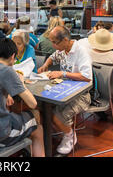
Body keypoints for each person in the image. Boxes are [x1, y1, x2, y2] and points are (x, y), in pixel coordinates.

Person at [0, 38, 45, 157]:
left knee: (22, 113)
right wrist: (21, 83)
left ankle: (27, 147)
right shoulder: (7, 71)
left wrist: (7, 93)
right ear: (13, 56)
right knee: (37, 124)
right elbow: (32, 103)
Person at [37, 26, 92, 155]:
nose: (52, 45)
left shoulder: (81, 51)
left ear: (66, 40)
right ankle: (61, 131)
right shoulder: (63, 50)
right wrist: (45, 65)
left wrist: (63, 74)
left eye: (55, 42)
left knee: (56, 116)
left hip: (81, 95)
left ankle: (69, 136)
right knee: (43, 108)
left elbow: (87, 77)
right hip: (64, 90)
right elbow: (53, 56)